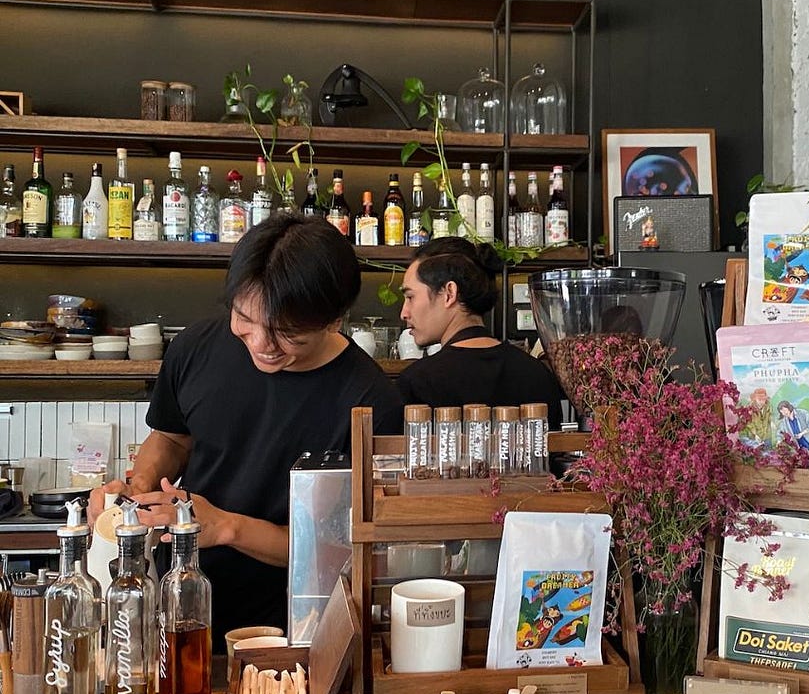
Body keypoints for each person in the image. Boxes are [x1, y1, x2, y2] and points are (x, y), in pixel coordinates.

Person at [88, 212, 404, 646]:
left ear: (334, 320)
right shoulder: (196, 348)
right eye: (245, 321)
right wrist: (135, 491)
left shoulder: (370, 401)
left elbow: (339, 549)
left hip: (290, 629)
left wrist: (225, 526)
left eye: (286, 334)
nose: (260, 345)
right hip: (178, 608)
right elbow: (171, 437)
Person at [397, 237, 564, 428]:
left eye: (410, 297)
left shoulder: (418, 382)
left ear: (449, 293)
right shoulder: (537, 375)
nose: (404, 313)